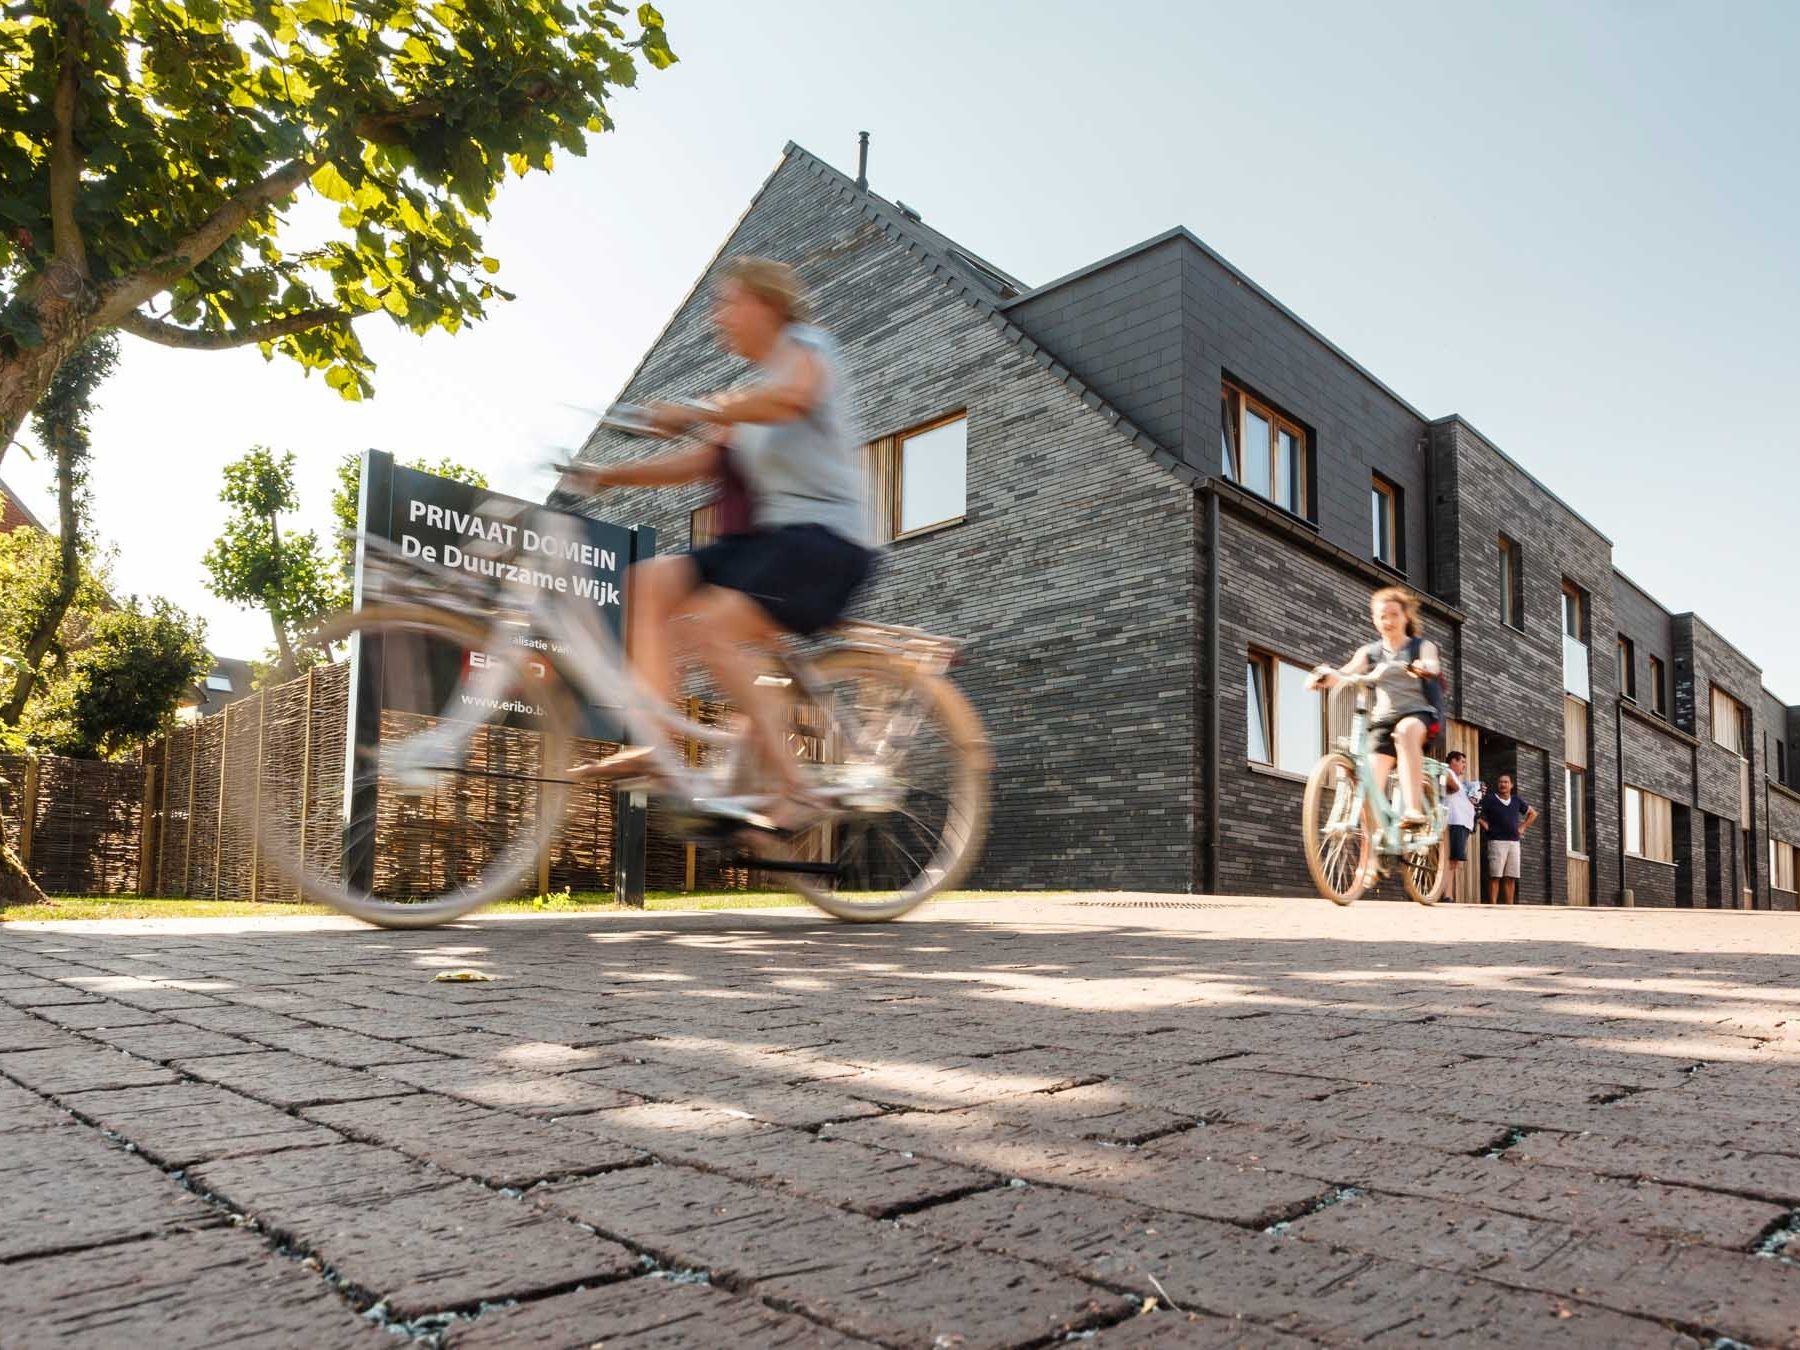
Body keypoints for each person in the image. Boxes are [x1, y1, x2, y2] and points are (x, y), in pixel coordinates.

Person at [558, 257, 875, 831]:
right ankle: (658, 743)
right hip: (776, 540)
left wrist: (700, 408)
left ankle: (797, 788)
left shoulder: (807, 348)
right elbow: (701, 461)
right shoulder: (751, 397)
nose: (717, 317)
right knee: (648, 582)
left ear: (767, 304)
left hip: (828, 542)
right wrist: (606, 475)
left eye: (727, 302)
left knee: (710, 628)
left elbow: (796, 397)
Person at [1307, 587, 1444, 867]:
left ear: (1405, 616)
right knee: (1370, 782)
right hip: (1382, 720)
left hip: (1419, 715)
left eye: (1394, 615)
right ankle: (1372, 859)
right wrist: (1323, 676)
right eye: (1382, 616)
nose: (1388, 621)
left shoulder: (1420, 646)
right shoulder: (1370, 652)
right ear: (1374, 619)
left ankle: (1415, 810)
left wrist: (1422, 666)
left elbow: (1433, 664)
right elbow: (1346, 672)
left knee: (1405, 732)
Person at [1476, 771, 1538, 904]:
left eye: (1506, 782)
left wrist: (1522, 827)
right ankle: (1493, 906)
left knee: (1511, 877)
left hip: (1514, 843)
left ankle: (1509, 908)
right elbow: (1476, 812)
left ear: (1511, 785)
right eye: (1500, 782)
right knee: (1495, 876)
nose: (1503, 784)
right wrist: (1485, 825)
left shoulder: (1516, 800)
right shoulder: (1490, 799)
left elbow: (1533, 814)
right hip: (1496, 842)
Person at [1443, 749, 1474, 900]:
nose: (1464, 766)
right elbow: (1448, 787)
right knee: (1451, 860)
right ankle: (1446, 895)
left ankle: (1448, 894)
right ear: (1453, 761)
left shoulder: (1459, 781)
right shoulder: (1447, 772)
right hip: (1454, 821)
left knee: (1453, 862)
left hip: (1461, 824)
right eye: (1462, 762)